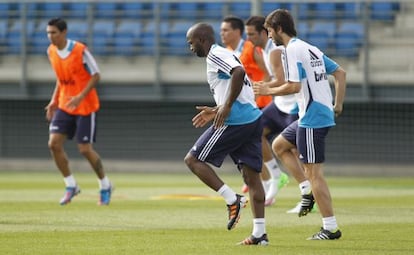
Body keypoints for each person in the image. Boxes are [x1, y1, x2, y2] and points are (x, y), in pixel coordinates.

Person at [263, 9, 347, 240]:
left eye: (269, 31)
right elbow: (340, 73)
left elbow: (293, 86)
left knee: (314, 173)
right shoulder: (310, 48)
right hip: (313, 114)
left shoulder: (291, 50)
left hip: (311, 118)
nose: (269, 37)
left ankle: (330, 228)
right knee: (279, 145)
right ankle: (306, 190)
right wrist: (337, 105)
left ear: (279, 29)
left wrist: (267, 89)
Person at [184, 22, 268, 245]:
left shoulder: (215, 54)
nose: (190, 48)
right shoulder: (222, 54)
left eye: (191, 43)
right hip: (252, 118)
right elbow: (234, 80)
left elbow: (239, 72)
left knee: (193, 159)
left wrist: (227, 106)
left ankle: (233, 200)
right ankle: (260, 234)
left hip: (236, 120)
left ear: (202, 39)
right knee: (252, 177)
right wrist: (217, 108)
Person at [44, 18, 113, 206]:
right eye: (48, 33)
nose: (50, 36)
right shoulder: (51, 51)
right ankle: (70, 185)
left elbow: (96, 74)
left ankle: (105, 185)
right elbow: (61, 79)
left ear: (64, 32)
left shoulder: (79, 51)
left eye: (54, 33)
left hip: (85, 106)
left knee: (84, 149)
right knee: (54, 144)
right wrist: (53, 101)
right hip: (65, 104)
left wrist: (80, 96)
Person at [220, 16, 278, 198]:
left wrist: (258, 91)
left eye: (225, 30)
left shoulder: (251, 48)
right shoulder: (228, 51)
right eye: (221, 30)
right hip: (247, 103)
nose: (222, 33)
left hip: (260, 102)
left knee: (256, 139)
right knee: (251, 142)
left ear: (237, 32)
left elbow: (269, 74)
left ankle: (272, 177)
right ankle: (263, 179)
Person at [245, 15, 295, 206]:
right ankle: (276, 174)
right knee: (256, 131)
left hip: (293, 104)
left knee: (299, 154)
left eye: (251, 34)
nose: (249, 38)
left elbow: (281, 80)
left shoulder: (274, 51)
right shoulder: (262, 50)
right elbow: (271, 76)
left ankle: (308, 194)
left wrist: (261, 88)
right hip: (280, 103)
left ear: (264, 32)